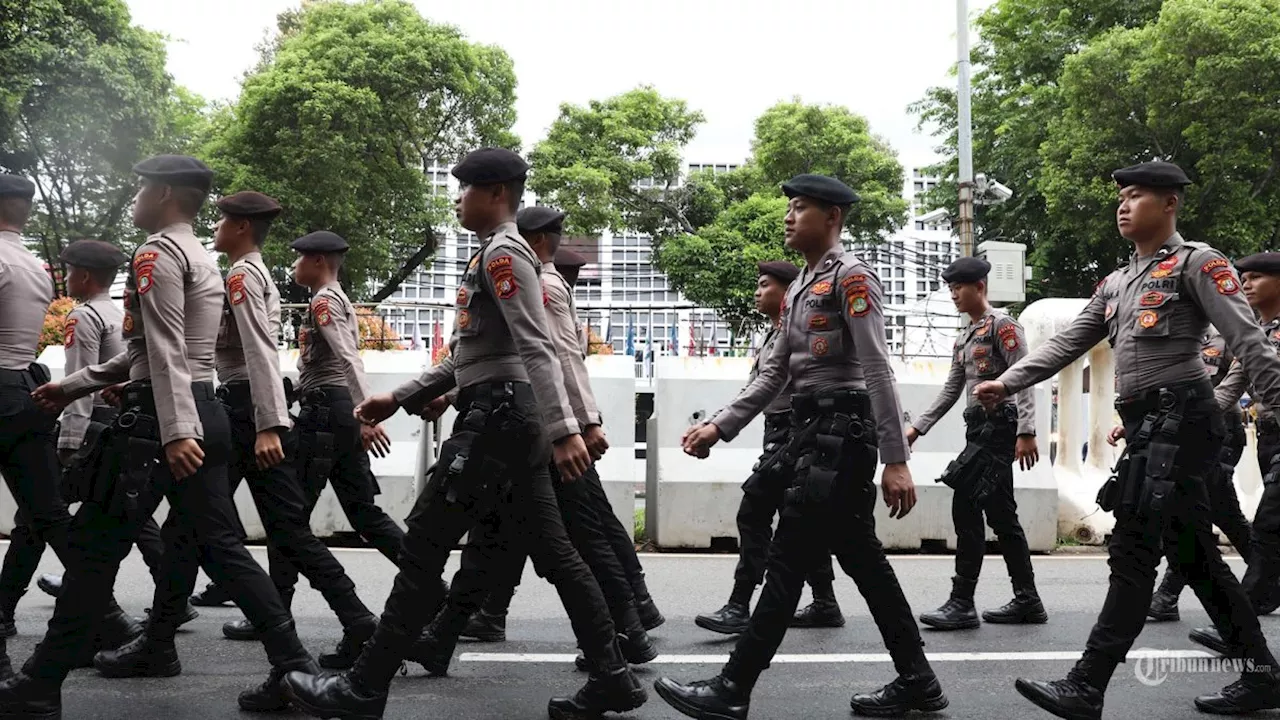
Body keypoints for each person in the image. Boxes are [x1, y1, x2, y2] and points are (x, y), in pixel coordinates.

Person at [280, 147, 646, 720]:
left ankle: (364, 686)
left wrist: (566, 429)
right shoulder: (492, 255)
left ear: (496, 193)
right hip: (504, 414)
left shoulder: (503, 255)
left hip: (498, 419)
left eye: (465, 189)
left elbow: (539, 345)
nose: (457, 199)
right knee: (554, 550)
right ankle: (613, 676)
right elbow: (470, 354)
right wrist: (399, 396)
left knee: (425, 540)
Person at [10, 155, 318, 718]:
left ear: (167, 193)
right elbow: (147, 352)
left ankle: (39, 682)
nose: (136, 197)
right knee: (221, 549)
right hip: (199, 412)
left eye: (142, 187)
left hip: (161, 425)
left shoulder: (156, 253)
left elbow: (168, 351)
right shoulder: (199, 253)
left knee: (94, 552)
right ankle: (298, 671)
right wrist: (73, 386)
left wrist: (177, 431)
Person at [974, 161, 1280, 718]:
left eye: (1137, 195)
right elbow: (1067, 342)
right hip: (1147, 429)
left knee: (1135, 551)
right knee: (1196, 557)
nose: (1122, 205)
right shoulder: (1115, 283)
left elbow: (1248, 341)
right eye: (1120, 196)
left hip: (1183, 423)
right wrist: (1007, 380)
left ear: (1170, 205)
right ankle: (1264, 676)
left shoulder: (1198, 264)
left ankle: (1087, 683)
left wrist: (1278, 403)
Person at [657, 174, 946, 719]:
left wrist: (897, 460)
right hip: (813, 435)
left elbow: (878, 370)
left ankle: (733, 686)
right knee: (861, 560)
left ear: (832, 217)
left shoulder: (852, 279)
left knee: (789, 558)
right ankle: (918, 680)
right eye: (789, 208)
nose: (789, 217)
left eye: (800, 208)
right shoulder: (798, 289)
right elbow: (774, 377)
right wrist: (720, 427)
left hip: (843, 436)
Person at [418, 205, 660, 673]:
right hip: (539, 424)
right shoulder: (530, 278)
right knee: (499, 537)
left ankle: (627, 630)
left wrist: (575, 427)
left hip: (545, 427)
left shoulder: (540, 283)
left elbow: (554, 357)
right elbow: (484, 355)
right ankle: (461, 627)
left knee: (577, 537)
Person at [0, 175, 141, 658]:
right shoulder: (35, 269)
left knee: (44, 516)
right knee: (47, 515)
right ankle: (106, 615)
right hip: (24, 393)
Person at [28, 241, 181, 622]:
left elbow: (80, 385)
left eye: (68, 271)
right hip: (125, 422)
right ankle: (168, 596)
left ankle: (72, 594)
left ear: (84, 275)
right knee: (132, 515)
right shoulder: (119, 313)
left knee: (40, 515)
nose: (64, 278)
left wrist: (69, 441)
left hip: (94, 426)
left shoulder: (82, 317)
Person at [695, 259, 844, 637]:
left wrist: (717, 427)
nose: (758, 292)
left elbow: (770, 387)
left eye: (765, 285)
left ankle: (740, 604)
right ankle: (825, 602)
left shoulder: (796, 335)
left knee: (754, 510)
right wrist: (716, 420)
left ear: (787, 292)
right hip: (779, 433)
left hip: (798, 434)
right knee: (802, 522)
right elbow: (753, 388)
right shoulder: (773, 335)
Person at [907, 256, 1045, 631]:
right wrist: (917, 428)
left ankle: (963, 602)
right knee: (1000, 516)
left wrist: (1026, 431)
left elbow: (1026, 376)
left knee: (967, 505)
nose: (953, 294)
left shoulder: (1003, 326)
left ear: (979, 287)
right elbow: (953, 388)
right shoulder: (965, 336)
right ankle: (1027, 600)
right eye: (950, 288)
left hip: (1001, 430)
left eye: (959, 287)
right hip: (977, 431)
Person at [1182, 253, 1280, 656]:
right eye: (1244, 277)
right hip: (1270, 438)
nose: (1247, 284)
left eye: (1257, 277)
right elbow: (1228, 389)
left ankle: (1240, 623)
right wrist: (1187, 416)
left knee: (1268, 524)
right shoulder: (1253, 333)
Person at [1142, 325, 1260, 623]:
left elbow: (1250, 379)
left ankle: (1168, 594)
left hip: (1219, 430)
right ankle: (1266, 577)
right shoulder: (1176, 337)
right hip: (1180, 431)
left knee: (1195, 509)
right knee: (1221, 513)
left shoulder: (1228, 335)